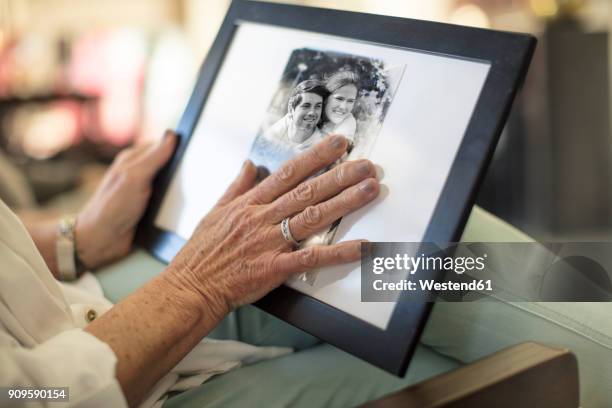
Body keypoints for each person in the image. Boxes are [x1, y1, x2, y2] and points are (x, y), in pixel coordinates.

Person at [0, 131, 382, 407]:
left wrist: (74, 240)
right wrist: (195, 286)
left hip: (78, 300)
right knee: (411, 355)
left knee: (396, 290)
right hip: (96, 384)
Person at [263, 79, 328, 156]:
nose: (312, 112)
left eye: (318, 106)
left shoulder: (322, 147)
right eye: (306, 106)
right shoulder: (273, 134)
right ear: (291, 108)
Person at [320, 70, 359, 143]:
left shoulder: (349, 122)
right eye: (339, 99)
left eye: (350, 101)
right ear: (326, 97)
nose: (343, 107)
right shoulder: (312, 112)